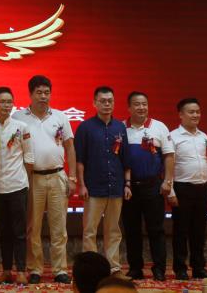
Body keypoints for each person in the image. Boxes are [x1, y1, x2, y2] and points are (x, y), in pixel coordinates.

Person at [12, 75, 77, 284]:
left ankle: (60, 269)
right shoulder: (19, 117)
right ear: (30, 94)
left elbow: (70, 147)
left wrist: (72, 177)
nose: (43, 96)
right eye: (39, 92)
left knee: (59, 227)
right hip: (32, 178)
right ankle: (35, 269)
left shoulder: (60, 117)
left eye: (47, 92)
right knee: (32, 227)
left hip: (57, 176)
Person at [75, 86, 131, 276]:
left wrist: (127, 184)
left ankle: (114, 267)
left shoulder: (120, 127)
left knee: (113, 230)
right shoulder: (85, 127)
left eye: (110, 101)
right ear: (95, 103)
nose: (107, 104)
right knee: (90, 230)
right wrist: (81, 185)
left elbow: (125, 158)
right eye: (103, 101)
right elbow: (80, 160)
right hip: (93, 187)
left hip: (116, 186)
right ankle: (90, 269)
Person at [121, 91, 173, 281]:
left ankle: (159, 269)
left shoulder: (159, 127)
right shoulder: (121, 128)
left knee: (156, 229)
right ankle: (135, 268)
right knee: (131, 229)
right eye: (137, 104)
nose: (141, 107)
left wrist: (168, 181)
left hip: (153, 186)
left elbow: (169, 155)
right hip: (129, 188)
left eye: (144, 104)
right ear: (129, 107)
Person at [168, 97, 207, 280]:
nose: (195, 115)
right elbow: (168, 167)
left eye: (197, 111)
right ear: (181, 115)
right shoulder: (173, 137)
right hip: (182, 189)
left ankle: (199, 268)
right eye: (191, 112)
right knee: (181, 231)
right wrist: (171, 191)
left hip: (202, 189)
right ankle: (180, 268)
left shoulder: (203, 136)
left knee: (199, 231)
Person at [0, 86, 34, 285]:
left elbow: (29, 157)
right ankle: (7, 270)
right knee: (4, 231)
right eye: (2, 102)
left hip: (18, 186)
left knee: (19, 231)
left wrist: (26, 181)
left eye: (9, 102)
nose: (6, 105)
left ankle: (22, 270)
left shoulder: (21, 127)